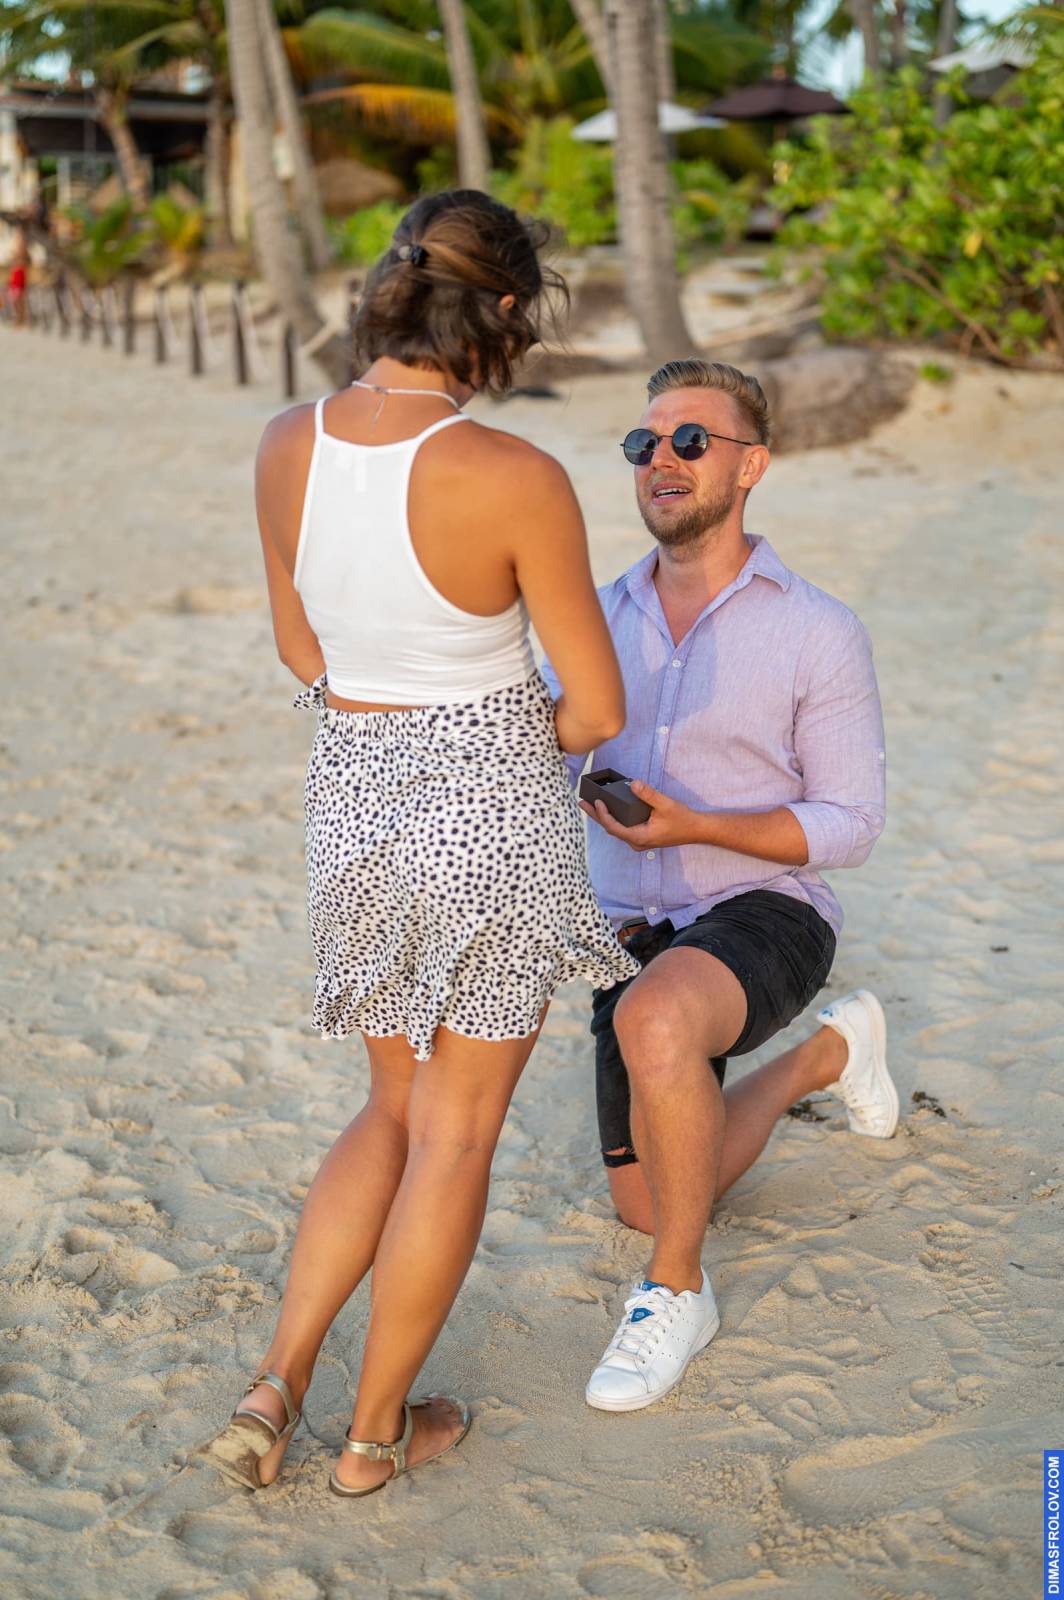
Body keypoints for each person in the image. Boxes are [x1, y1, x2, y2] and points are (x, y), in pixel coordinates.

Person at [197, 191, 638, 1496]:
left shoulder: (287, 441)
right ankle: (375, 1435)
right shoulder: (513, 475)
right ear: (502, 312)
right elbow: (596, 709)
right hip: (491, 811)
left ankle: (274, 1385)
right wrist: (491, 735)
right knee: (454, 1133)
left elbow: (302, 651)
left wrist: (393, 716)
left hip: (352, 804)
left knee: (390, 1103)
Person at [541, 358, 897, 1414]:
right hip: (633, 927)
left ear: (751, 466)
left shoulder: (816, 628)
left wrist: (696, 825)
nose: (662, 458)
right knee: (646, 1201)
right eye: (643, 442)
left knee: (654, 1022)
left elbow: (851, 822)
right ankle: (828, 1056)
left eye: (691, 440)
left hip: (768, 908)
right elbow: (541, 752)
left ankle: (676, 1294)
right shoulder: (589, 617)